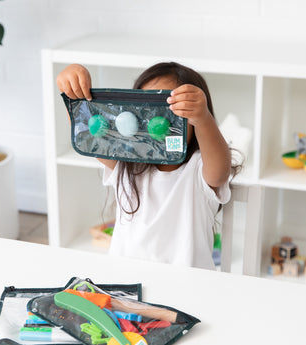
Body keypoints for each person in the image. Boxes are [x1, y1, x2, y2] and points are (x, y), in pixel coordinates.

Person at [57, 62, 237, 270]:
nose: (154, 123)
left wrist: (204, 118)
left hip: (188, 286)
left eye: (168, 113)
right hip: (128, 281)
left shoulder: (197, 169)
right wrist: (73, 87)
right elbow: (90, 131)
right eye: (144, 112)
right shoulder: (126, 164)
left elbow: (219, 173)